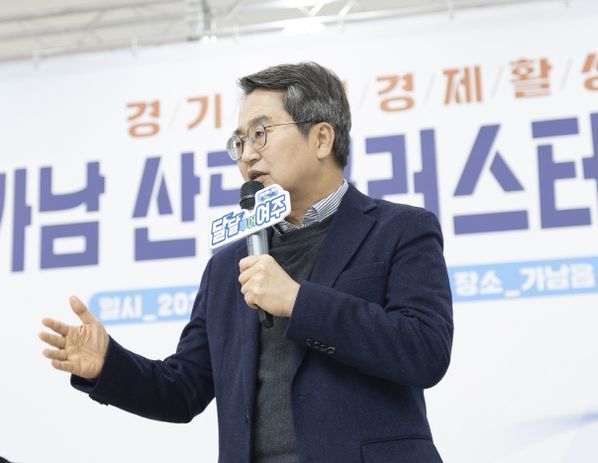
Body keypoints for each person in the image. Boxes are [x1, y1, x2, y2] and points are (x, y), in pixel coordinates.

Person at [39, 62, 453, 463]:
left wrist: (297, 301)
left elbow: (424, 351)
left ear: (322, 139)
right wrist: (108, 365)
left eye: (261, 133)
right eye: (240, 141)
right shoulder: (228, 267)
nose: (247, 155)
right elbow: (183, 389)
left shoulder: (400, 229)